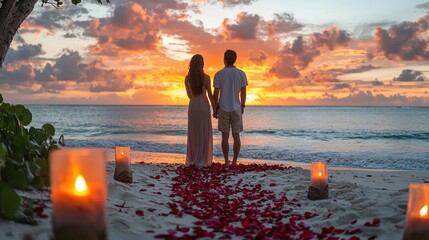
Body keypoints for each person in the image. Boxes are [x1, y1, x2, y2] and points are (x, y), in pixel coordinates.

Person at [213, 49, 248, 166]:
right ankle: (234, 162)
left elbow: (215, 94)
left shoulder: (219, 74)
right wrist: (242, 105)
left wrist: (215, 109)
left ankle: (227, 161)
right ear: (235, 59)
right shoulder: (241, 73)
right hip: (236, 107)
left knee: (225, 136)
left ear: (224, 59)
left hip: (223, 107)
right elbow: (243, 92)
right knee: (236, 135)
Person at [185, 54, 216, 167]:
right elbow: (210, 95)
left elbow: (189, 95)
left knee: (194, 132)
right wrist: (215, 110)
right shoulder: (207, 77)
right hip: (204, 106)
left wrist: (195, 96)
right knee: (204, 132)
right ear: (202, 64)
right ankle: (203, 158)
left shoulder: (187, 78)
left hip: (193, 106)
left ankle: (194, 158)